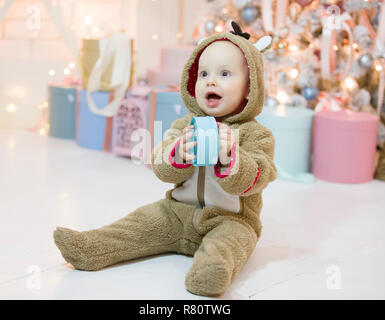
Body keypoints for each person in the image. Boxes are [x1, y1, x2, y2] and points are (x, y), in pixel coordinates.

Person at [53, 22, 277, 297]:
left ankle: (210, 270)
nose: (211, 81)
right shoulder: (185, 125)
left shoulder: (256, 134)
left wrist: (231, 159)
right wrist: (178, 154)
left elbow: (260, 175)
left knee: (229, 244)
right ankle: (93, 245)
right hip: (177, 214)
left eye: (225, 73)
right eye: (203, 73)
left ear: (249, 87)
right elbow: (161, 165)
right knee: (140, 222)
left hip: (230, 220)